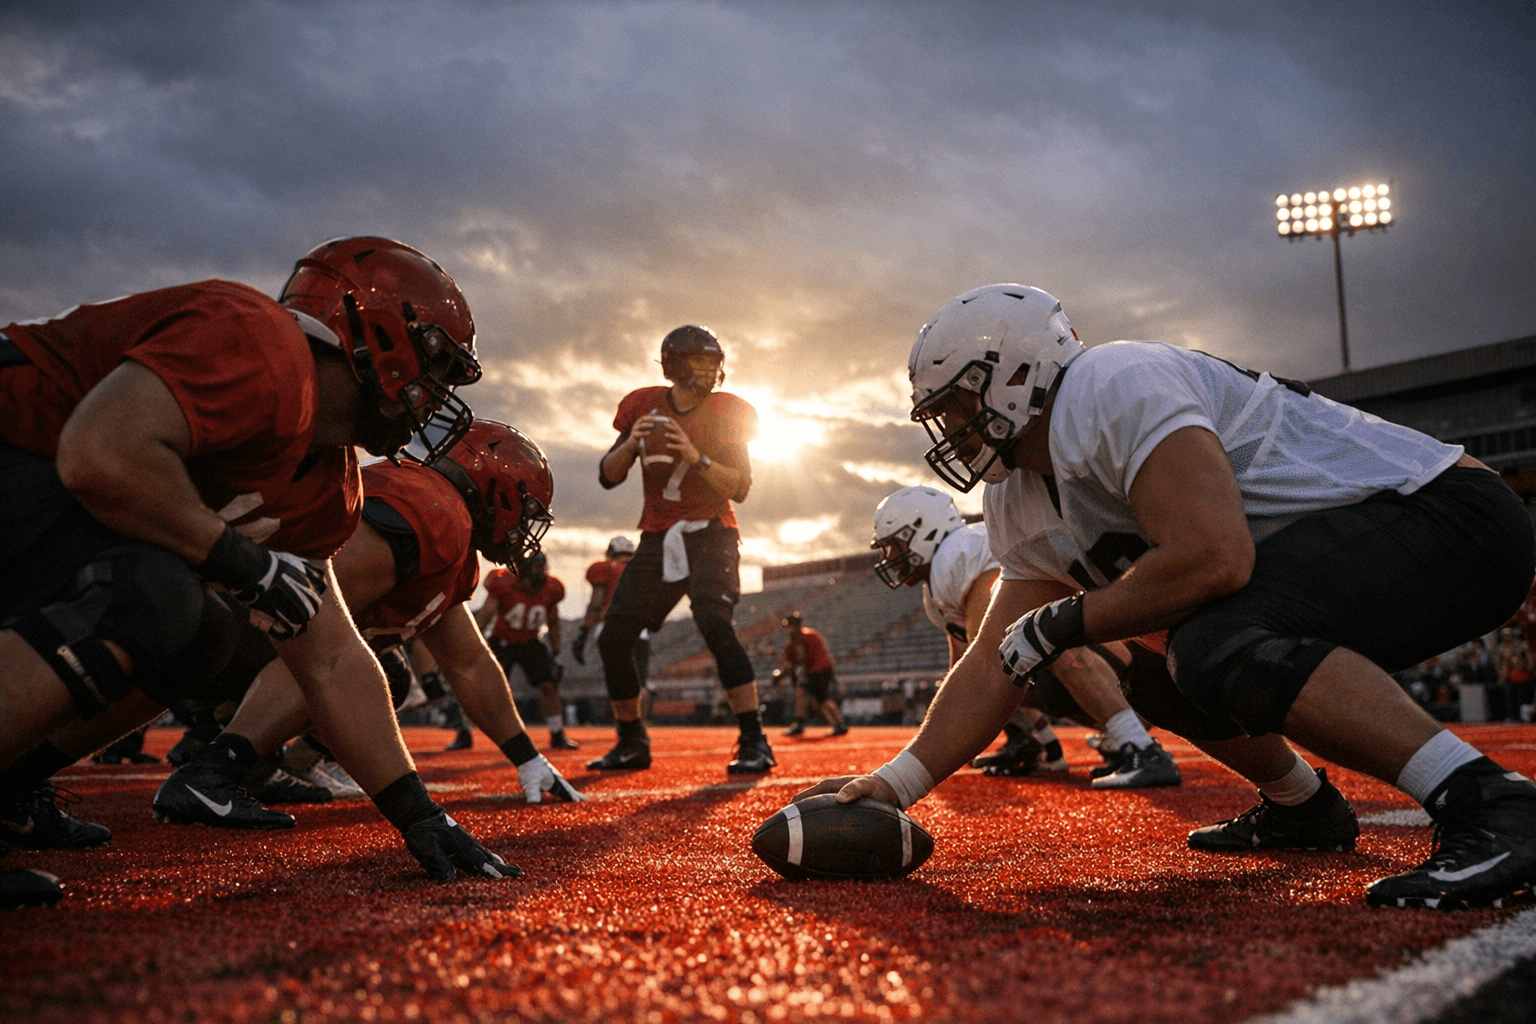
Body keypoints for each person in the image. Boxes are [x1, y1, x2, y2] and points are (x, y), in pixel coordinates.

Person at [805, 283, 1536, 909]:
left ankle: (1492, 803)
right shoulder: (1015, 496)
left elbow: (1214, 558)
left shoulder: (1111, 384)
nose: (953, 429)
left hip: (1448, 516)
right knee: (1154, 671)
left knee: (1214, 641)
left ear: (1017, 373)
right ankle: (1303, 806)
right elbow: (996, 659)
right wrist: (896, 783)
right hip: (1358, 547)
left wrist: (1066, 621)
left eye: (959, 403)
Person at [0, 237, 512, 907]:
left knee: (202, 635)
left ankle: (10, 786)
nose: (435, 396)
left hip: (35, 503)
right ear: (381, 337)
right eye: (436, 367)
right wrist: (245, 562)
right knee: (151, 593)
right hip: (22, 450)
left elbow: (331, 658)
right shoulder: (259, 342)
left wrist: (417, 813)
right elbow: (101, 455)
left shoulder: (328, 484)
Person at [150, 418, 582, 831]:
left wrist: (528, 757)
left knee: (386, 669)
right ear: (497, 489)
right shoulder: (432, 514)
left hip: (227, 618)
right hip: (217, 620)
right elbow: (307, 618)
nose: (523, 527)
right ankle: (216, 765)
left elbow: (469, 663)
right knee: (349, 661)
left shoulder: (443, 522)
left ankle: (260, 760)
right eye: (526, 509)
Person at [873, 484, 1181, 784]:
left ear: (923, 532)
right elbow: (964, 664)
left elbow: (995, 642)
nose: (889, 558)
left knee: (1035, 642)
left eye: (894, 545)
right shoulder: (935, 592)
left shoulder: (960, 550)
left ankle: (1140, 746)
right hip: (1105, 673)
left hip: (1120, 669)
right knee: (1001, 664)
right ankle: (1042, 744)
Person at [589, 325, 772, 774]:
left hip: (711, 531)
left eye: (713, 361)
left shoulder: (725, 411)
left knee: (714, 622)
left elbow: (740, 488)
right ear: (673, 364)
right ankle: (631, 741)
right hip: (658, 534)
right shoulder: (643, 406)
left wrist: (695, 455)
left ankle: (755, 739)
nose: (709, 370)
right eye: (699, 360)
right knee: (614, 638)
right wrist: (632, 442)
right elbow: (608, 476)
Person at [477, 551, 576, 751]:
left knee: (548, 685)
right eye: (535, 567)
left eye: (542, 567)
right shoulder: (504, 582)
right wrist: (476, 642)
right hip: (503, 641)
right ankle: (466, 732)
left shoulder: (551, 588)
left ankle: (557, 733)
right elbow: (486, 614)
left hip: (531, 641)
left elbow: (553, 621)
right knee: (492, 689)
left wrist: (555, 651)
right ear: (522, 570)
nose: (540, 572)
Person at [572, 536, 653, 714]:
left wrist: (584, 632)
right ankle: (641, 722)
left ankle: (625, 723)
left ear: (611, 552)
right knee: (640, 684)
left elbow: (596, 602)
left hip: (610, 629)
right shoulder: (643, 571)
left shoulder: (605, 568)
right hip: (640, 631)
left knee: (618, 681)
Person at [777, 613, 849, 738]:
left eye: (790, 626)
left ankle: (799, 723)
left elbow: (799, 659)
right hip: (821, 670)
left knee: (802, 693)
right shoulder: (804, 637)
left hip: (817, 670)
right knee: (820, 700)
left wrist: (782, 674)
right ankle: (839, 724)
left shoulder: (804, 637)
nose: (788, 629)